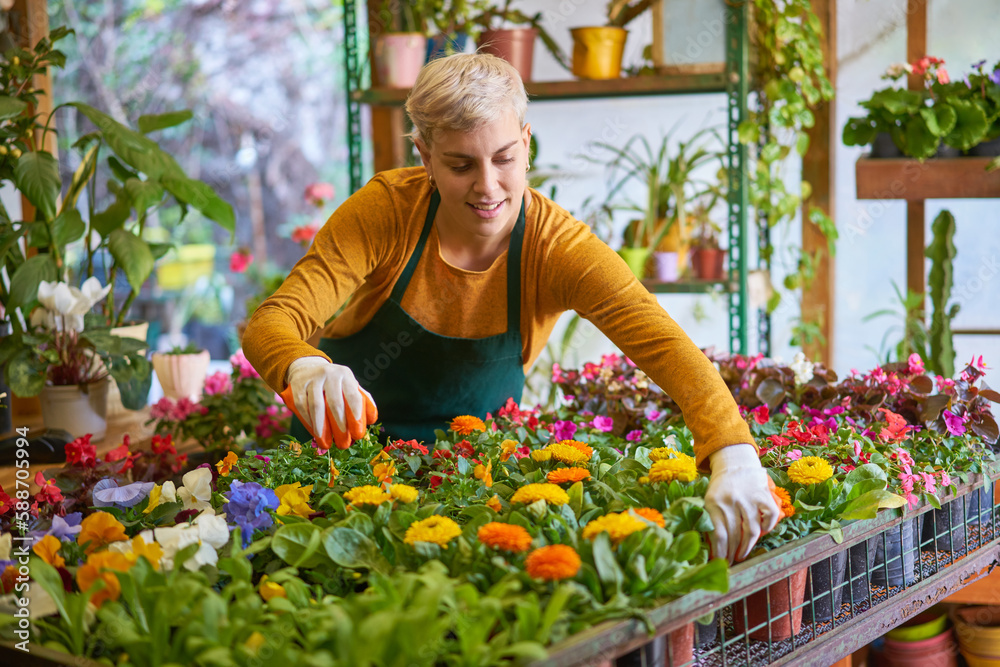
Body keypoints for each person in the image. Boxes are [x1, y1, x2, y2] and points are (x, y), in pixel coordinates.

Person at [242, 53, 778, 562]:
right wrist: (305, 365)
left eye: (505, 158)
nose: (488, 186)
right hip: (340, 481)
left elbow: (663, 344)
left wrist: (732, 453)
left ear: (527, 144)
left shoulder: (556, 248)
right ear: (424, 156)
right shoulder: (387, 213)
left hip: (473, 490)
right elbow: (272, 322)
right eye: (459, 165)